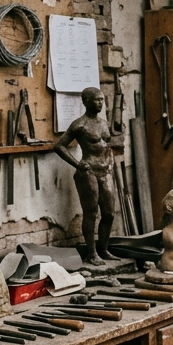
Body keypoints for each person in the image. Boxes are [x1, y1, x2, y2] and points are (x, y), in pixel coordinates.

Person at [54, 87, 116, 263]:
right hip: (88, 172)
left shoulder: (104, 123)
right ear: (86, 101)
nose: (100, 103)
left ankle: (103, 249)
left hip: (106, 171)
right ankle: (92, 253)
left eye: (102, 100)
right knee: (91, 213)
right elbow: (59, 146)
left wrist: (110, 164)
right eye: (97, 100)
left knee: (109, 213)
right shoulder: (79, 124)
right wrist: (78, 164)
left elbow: (108, 147)